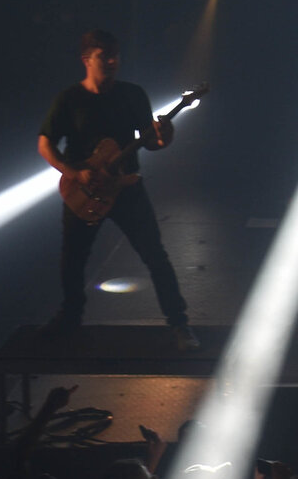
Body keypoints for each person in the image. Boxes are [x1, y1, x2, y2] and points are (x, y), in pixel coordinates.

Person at [38, 30, 196, 350]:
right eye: (103, 55)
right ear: (86, 59)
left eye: (115, 56)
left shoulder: (132, 95)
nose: (111, 61)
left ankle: (179, 324)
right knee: (73, 259)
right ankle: (69, 320)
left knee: (155, 255)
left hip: (126, 188)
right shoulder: (69, 99)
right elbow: (45, 144)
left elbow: (152, 144)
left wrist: (166, 135)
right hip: (84, 190)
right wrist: (74, 173)